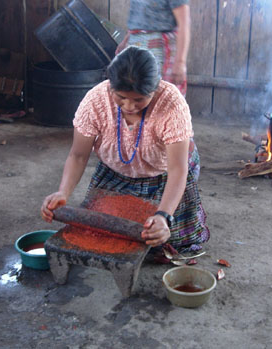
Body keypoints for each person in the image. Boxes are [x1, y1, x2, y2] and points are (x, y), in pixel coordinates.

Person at [41, 46, 209, 255]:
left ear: (155, 89)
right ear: (110, 87)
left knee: (162, 240)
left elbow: (177, 169)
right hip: (116, 170)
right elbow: (78, 155)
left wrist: (164, 215)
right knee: (106, 231)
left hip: (164, 171)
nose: (129, 106)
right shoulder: (96, 101)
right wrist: (63, 192)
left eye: (139, 99)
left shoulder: (172, 105)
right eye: (120, 97)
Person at [115, 0, 190, 96]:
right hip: (136, 47)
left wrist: (180, 62)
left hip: (160, 50)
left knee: (162, 98)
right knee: (136, 96)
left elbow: (184, 24)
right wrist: (125, 41)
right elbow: (139, 18)